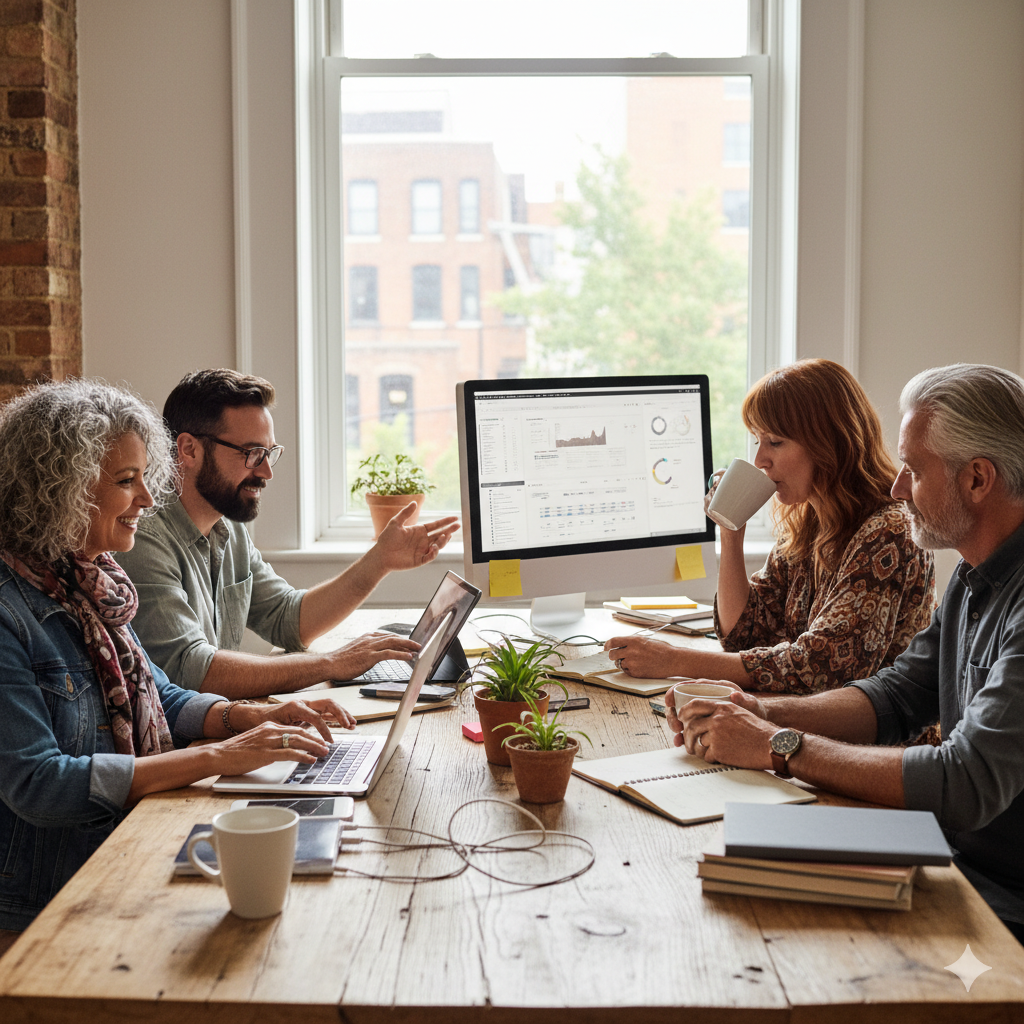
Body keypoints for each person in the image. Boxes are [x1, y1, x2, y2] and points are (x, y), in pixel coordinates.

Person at [672, 363, 1024, 941]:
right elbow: (896, 694)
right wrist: (759, 712)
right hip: (946, 852)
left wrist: (777, 745)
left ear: (977, 480)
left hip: (1004, 899)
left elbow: (966, 781)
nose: (897, 487)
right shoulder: (972, 574)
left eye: (912, 469)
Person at [0, 379, 359, 938]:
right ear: (59, 490)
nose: (148, 497)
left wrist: (245, 717)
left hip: (118, 853)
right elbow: (40, 785)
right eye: (127, 481)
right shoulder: (9, 611)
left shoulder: (94, 581)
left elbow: (159, 690)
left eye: (146, 476)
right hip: (49, 901)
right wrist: (216, 755)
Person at [116, 369, 460, 699]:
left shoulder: (229, 528)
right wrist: (331, 663)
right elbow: (193, 671)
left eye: (269, 453)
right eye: (252, 453)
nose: (266, 471)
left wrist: (380, 561)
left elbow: (288, 619)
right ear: (189, 449)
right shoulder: (142, 538)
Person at [605, 359, 936, 693]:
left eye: (775, 442)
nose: (760, 460)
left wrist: (674, 661)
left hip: (873, 742)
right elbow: (742, 634)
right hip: (806, 720)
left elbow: (821, 669)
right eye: (757, 442)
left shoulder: (890, 531)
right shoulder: (809, 521)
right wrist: (731, 530)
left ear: (829, 443)